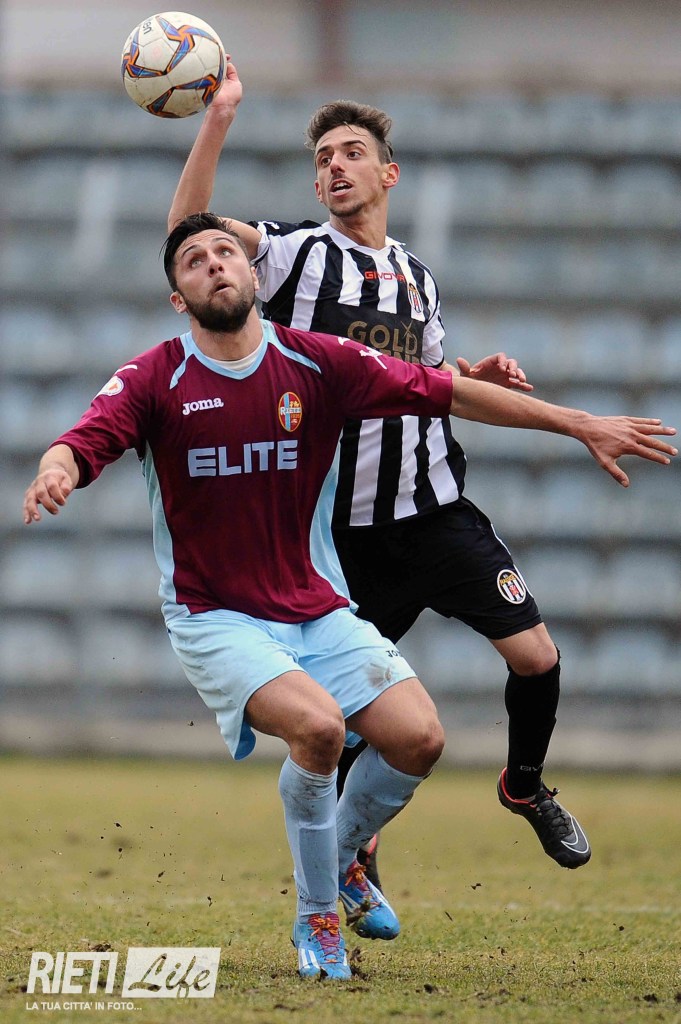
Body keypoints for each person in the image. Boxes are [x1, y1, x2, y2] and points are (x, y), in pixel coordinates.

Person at [22, 216, 675, 977]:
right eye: (194, 260)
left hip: (316, 604)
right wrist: (57, 469)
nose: (214, 264)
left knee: (418, 740)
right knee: (320, 729)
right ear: (178, 298)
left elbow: (447, 393)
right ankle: (317, 918)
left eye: (226, 251)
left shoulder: (316, 361)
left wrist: (578, 422)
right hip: (216, 616)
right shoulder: (153, 377)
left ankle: (337, 862)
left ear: (253, 273)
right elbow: (82, 439)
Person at [166, 63, 663, 894]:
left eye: (351, 152)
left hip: (432, 510)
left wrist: (471, 374)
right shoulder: (294, 256)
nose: (334, 165)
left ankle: (524, 786)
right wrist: (216, 118)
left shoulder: (417, 277)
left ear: (386, 173)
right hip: (344, 536)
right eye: (322, 157)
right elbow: (187, 230)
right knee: (353, 719)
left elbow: (423, 379)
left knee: (536, 657)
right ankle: (353, 853)